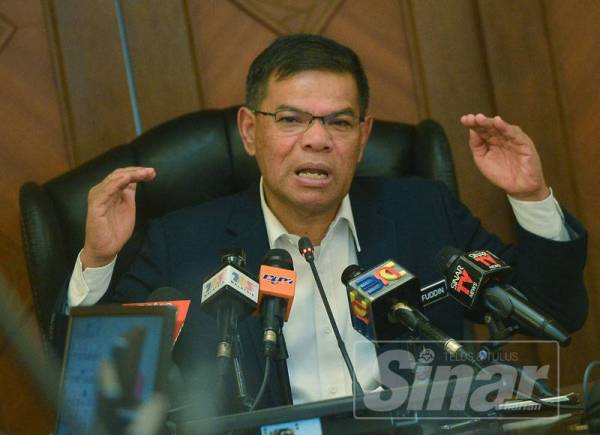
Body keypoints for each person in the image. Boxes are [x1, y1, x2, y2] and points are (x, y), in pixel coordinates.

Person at [61, 34, 587, 414]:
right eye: (290, 120)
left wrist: (532, 198)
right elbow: (101, 391)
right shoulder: (184, 241)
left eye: (338, 122)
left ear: (363, 134)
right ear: (249, 131)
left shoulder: (424, 212)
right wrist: (100, 262)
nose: (317, 140)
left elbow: (553, 312)